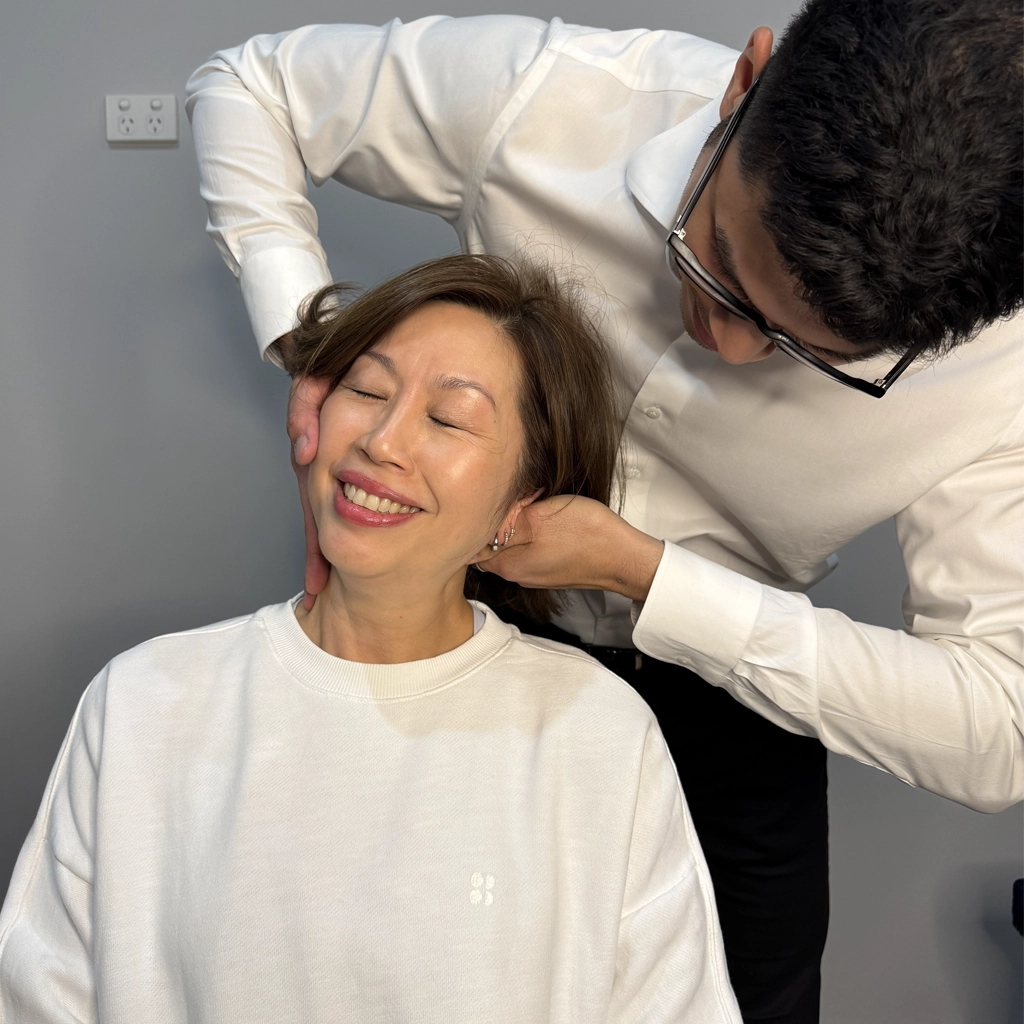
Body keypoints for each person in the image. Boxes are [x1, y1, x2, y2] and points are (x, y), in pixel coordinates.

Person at [184, 2, 1024, 1020]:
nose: (726, 342)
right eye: (713, 255)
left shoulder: (994, 369)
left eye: (807, 353)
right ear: (741, 87)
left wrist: (647, 574)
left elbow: (999, 728)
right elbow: (250, 85)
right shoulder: (551, 98)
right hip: (459, 644)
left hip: (736, 706)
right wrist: (309, 346)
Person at [0, 254, 742, 1023]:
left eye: (449, 419)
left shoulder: (595, 734)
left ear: (522, 502)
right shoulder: (144, 705)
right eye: (366, 390)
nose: (384, 441)